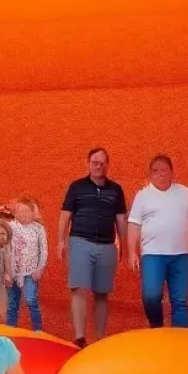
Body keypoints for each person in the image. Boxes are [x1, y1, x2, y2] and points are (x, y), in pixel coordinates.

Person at [127, 154, 188, 328]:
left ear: (172, 172)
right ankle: (156, 325)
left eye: (164, 169)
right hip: (152, 255)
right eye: (155, 170)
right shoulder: (142, 196)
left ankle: (180, 341)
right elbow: (134, 224)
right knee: (151, 296)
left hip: (181, 255)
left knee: (179, 301)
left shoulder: (185, 193)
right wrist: (132, 252)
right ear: (150, 174)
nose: (160, 174)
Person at [57, 148, 127, 348]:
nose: (99, 166)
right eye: (95, 162)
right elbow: (65, 215)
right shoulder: (77, 187)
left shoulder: (116, 190)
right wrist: (60, 241)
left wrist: (124, 245)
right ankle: (79, 337)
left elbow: (121, 219)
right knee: (78, 288)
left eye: (103, 162)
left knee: (102, 292)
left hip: (106, 245)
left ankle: (99, 338)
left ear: (108, 164)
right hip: (80, 241)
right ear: (88, 163)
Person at [0, 197, 47, 333]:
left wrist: (40, 268)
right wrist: (3, 208)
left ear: (32, 213)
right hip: (14, 271)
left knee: (31, 299)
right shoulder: (12, 226)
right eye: (19, 211)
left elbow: (44, 250)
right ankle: (10, 329)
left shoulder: (38, 229)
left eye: (27, 211)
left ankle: (38, 329)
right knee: (13, 301)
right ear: (15, 213)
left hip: (31, 271)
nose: (23, 214)